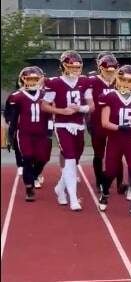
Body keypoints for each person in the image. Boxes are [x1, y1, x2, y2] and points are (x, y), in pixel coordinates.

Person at [41, 50, 95, 211]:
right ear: (63, 66)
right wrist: (61, 111)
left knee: (75, 160)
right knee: (70, 159)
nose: (75, 70)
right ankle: (73, 198)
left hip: (79, 124)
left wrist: (81, 108)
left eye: (77, 67)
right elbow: (44, 105)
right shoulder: (55, 83)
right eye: (71, 67)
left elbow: (92, 106)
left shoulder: (85, 82)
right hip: (62, 125)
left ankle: (60, 188)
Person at [98, 65, 131, 217]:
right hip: (115, 139)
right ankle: (105, 193)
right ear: (117, 80)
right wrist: (120, 127)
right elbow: (104, 123)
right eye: (123, 80)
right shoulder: (109, 97)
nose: (126, 83)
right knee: (111, 172)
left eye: (129, 80)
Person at [6, 66, 52, 201]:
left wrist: (50, 131)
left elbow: (50, 115)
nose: (32, 82)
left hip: (42, 133)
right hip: (24, 133)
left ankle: (33, 175)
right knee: (27, 158)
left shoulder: (45, 94)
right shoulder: (16, 96)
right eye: (29, 79)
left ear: (40, 80)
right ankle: (29, 188)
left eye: (35, 79)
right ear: (23, 80)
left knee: (43, 158)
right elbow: (12, 119)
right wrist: (10, 136)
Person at [87, 52, 129, 194]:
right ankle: (99, 182)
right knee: (99, 154)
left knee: (118, 153)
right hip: (97, 122)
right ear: (100, 69)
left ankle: (119, 183)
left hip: (115, 123)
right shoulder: (92, 81)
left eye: (113, 70)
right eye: (107, 70)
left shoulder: (120, 81)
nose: (111, 73)